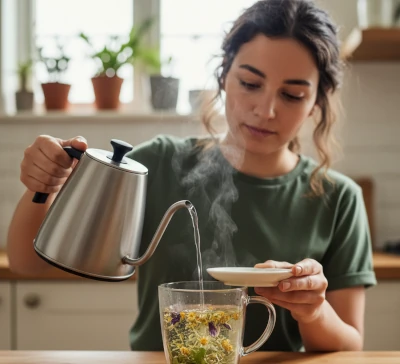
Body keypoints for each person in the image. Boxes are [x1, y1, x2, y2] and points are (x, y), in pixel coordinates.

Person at [7, 0, 376, 353]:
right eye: (250, 83)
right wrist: (43, 187)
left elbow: (347, 345)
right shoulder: (158, 164)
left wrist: (313, 310)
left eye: (292, 94)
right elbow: (28, 262)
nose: (265, 110)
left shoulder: (339, 199)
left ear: (317, 102)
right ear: (223, 76)